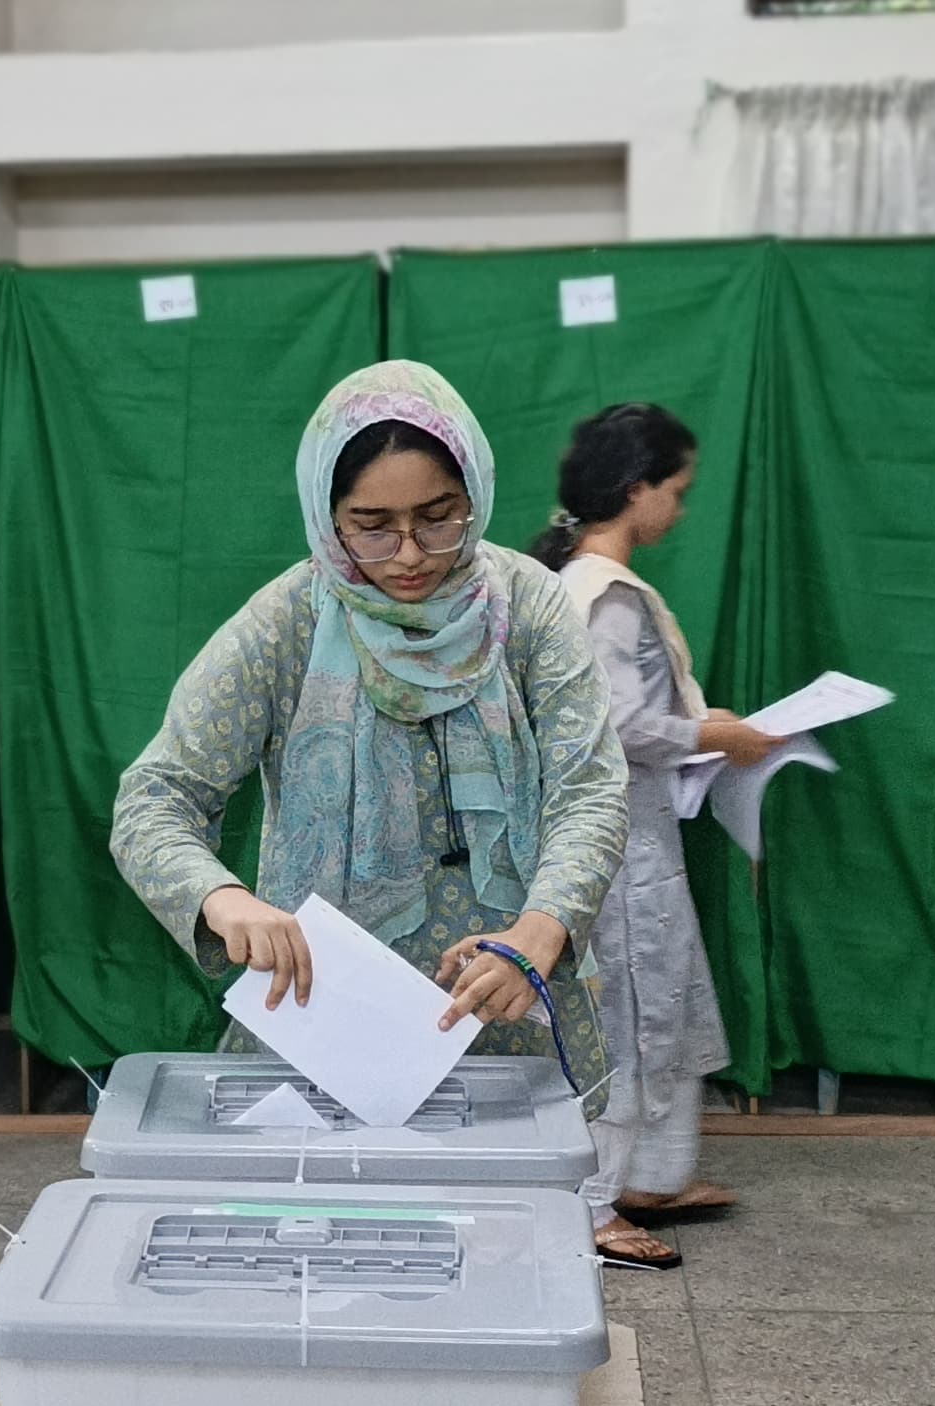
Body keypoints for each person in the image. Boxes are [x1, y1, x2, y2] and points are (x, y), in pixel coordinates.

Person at [111, 360, 667, 1266]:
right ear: (329, 518)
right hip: (332, 1011)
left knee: (504, 1255)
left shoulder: (525, 606)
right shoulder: (286, 623)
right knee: (338, 1256)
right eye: (372, 527)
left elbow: (589, 787)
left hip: (506, 988)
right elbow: (154, 800)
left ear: (475, 494)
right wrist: (224, 899)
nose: (409, 555)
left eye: (439, 516)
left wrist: (541, 928)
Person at [531, 404, 775, 1230]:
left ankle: (650, 1180)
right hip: (618, 847)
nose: (680, 507)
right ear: (636, 491)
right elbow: (621, 727)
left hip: (625, 838)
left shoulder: (577, 585)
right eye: (677, 489)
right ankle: (593, 1210)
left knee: (653, 1006)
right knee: (629, 1017)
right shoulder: (609, 596)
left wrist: (707, 727)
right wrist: (717, 734)